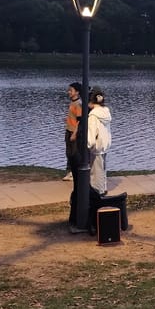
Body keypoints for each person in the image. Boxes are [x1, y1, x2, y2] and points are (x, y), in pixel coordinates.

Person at [65, 82, 84, 232]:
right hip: (69, 131)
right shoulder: (73, 103)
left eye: (70, 90)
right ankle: (71, 169)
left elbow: (80, 120)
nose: (68, 92)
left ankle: (74, 170)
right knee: (69, 155)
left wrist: (74, 133)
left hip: (73, 134)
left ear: (77, 92)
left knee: (73, 154)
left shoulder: (78, 104)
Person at [87, 87, 112, 196]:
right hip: (105, 145)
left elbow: (92, 134)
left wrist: (88, 145)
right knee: (103, 168)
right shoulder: (106, 112)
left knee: (95, 171)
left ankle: (98, 191)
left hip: (96, 147)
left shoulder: (93, 116)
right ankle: (103, 187)